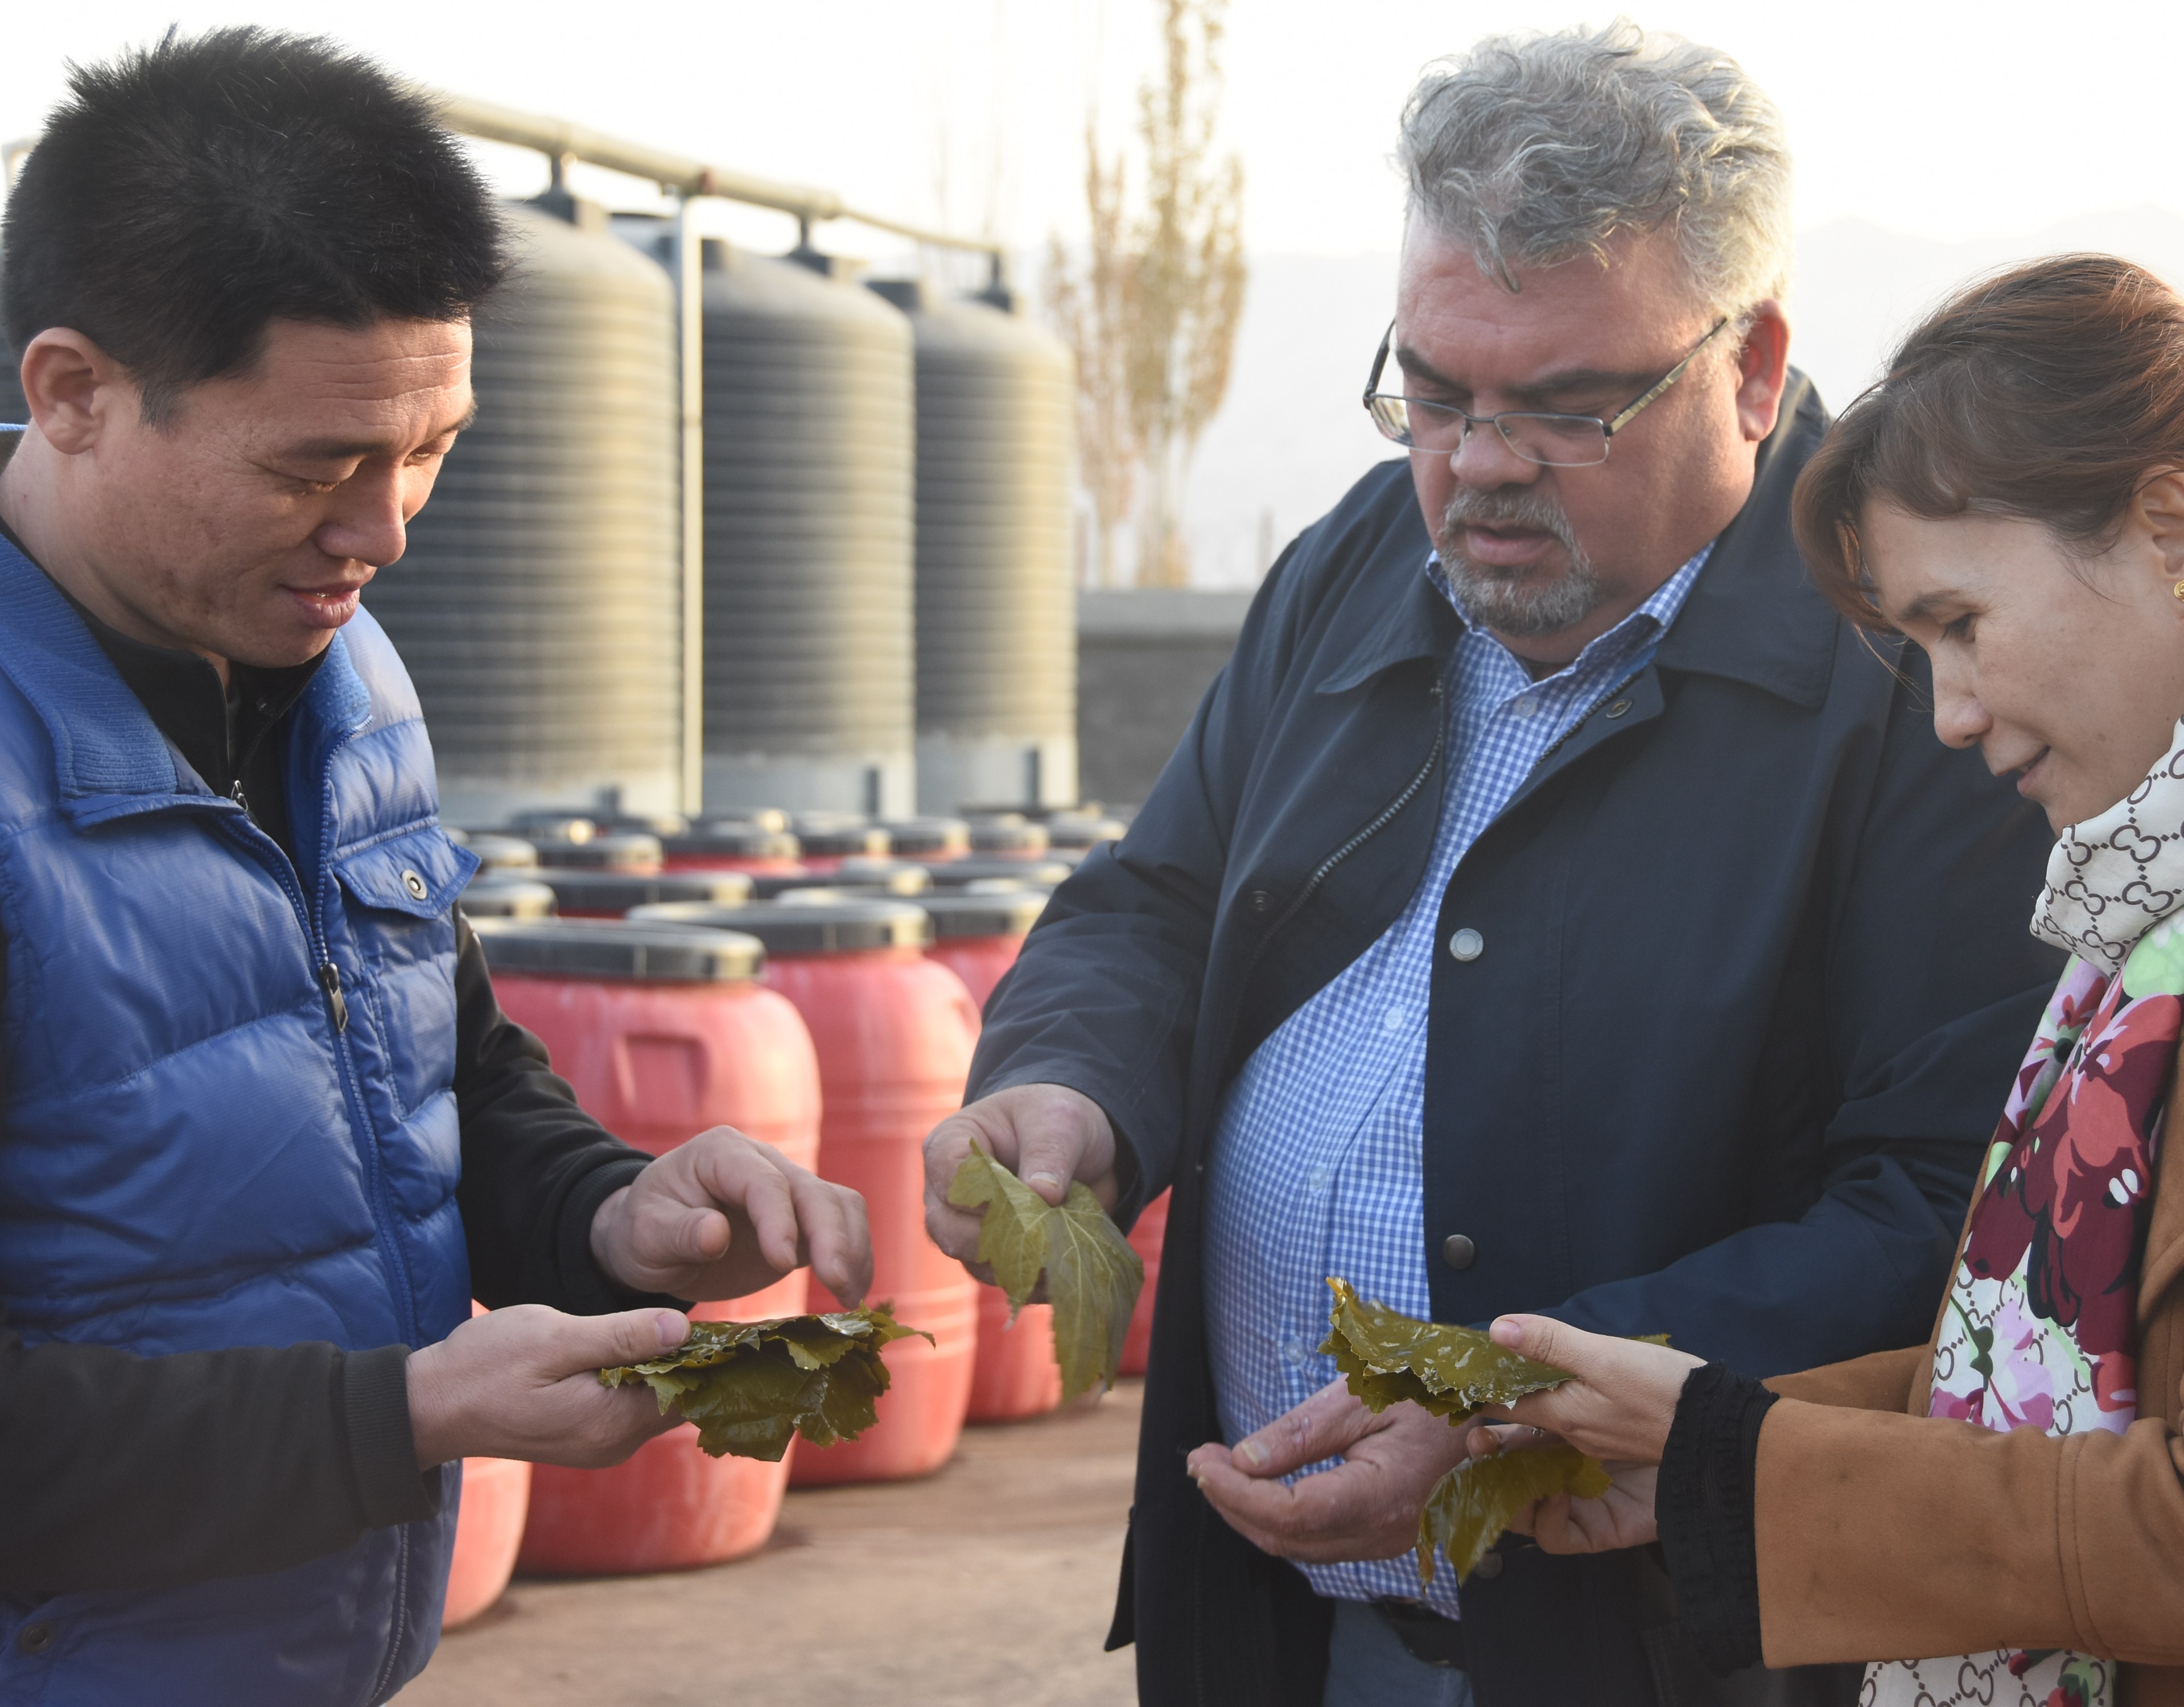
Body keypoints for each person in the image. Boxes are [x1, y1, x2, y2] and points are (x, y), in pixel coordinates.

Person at [924, 23, 2060, 1706]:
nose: (1479, 466)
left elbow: (1944, 1204)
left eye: (1567, 409)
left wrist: (1508, 1402)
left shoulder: (1913, 669)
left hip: (1652, 1651)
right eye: (1436, 393)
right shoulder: (1355, 560)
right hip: (1270, 1622)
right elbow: (1158, 901)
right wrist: (1071, 1083)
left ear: (1753, 368)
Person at [1480, 254, 2184, 1705]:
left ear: (2174, 537)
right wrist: (1694, 1460)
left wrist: (1742, 1462)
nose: (1947, 714)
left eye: (1961, 624)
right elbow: (2053, 1381)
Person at [0, 30, 871, 1704]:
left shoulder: (346, 674)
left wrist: (612, 1216)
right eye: (312, 468)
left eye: (431, 448)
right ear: (74, 394)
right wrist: (394, 1418)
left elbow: (432, 1076)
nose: (385, 532)